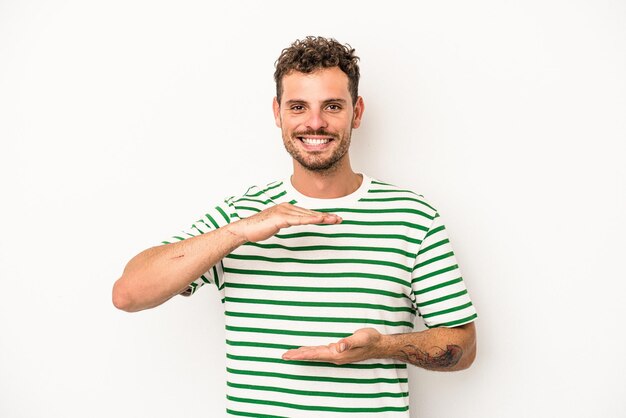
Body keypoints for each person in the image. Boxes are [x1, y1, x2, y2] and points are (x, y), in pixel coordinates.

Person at [113, 36, 478, 417]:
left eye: (332, 106)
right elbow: (129, 293)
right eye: (298, 106)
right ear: (278, 113)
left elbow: (464, 347)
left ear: (357, 112)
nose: (315, 123)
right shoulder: (241, 215)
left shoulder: (413, 217)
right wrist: (239, 231)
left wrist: (382, 348)